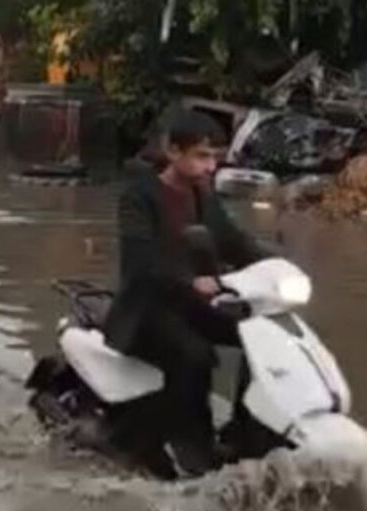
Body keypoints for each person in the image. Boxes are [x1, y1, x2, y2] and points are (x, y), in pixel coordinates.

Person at [105, 109, 267, 476]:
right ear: (173, 151)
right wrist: (189, 280)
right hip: (147, 309)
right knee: (195, 356)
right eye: (202, 155)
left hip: (192, 305)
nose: (210, 166)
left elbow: (232, 241)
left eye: (214, 157)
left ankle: (245, 433)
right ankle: (191, 445)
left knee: (259, 335)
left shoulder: (202, 195)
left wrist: (276, 265)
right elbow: (140, 260)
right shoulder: (138, 197)